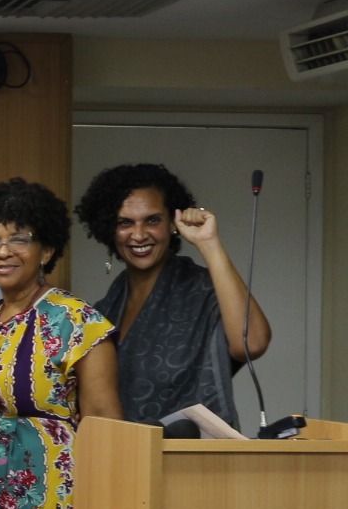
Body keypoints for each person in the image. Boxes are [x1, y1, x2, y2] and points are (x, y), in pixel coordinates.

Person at [0, 178, 122, 509]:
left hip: (51, 507)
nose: (3, 252)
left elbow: (107, 429)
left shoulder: (78, 321)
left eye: (19, 239)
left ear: (46, 250)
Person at [75, 163, 270, 429]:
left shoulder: (204, 288)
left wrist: (209, 243)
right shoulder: (105, 310)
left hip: (199, 450)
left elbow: (252, 343)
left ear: (171, 224)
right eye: (125, 223)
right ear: (109, 229)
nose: (139, 235)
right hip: (128, 451)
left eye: (152, 220)